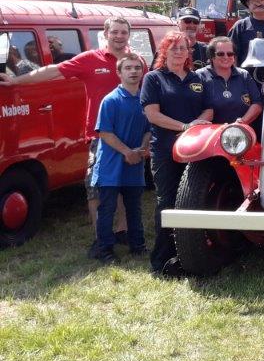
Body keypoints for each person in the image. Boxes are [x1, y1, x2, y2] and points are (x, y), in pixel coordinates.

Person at [0, 16, 138, 240]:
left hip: (129, 132)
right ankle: (100, 235)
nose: (119, 36)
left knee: (125, 186)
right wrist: (16, 81)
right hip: (100, 134)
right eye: (115, 32)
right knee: (96, 186)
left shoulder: (135, 60)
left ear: (128, 35)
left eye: (123, 32)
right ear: (105, 34)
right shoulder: (90, 59)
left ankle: (123, 229)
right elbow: (53, 70)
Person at [141, 31, 210, 276]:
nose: (179, 52)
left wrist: (196, 125)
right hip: (165, 150)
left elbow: (209, 110)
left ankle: (189, 254)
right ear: (164, 51)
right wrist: (184, 127)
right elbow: (152, 115)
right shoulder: (154, 79)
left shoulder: (197, 78)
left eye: (183, 48)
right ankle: (162, 258)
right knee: (167, 203)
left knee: (192, 202)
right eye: (174, 48)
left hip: (195, 151)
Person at [90, 53, 150, 263]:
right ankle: (104, 250)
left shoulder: (145, 100)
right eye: (128, 68)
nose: (133, 72)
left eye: (137, 68)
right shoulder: (111, 100)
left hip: (134, 165)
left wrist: (142, 148)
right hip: (110, 166)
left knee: (134, 208)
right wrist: (127, 152)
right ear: (119, 72)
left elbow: (148, 130)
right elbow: (105, 133)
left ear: (142, 72)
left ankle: (138, 246)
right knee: (107, 209)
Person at [196, 37, 263, 126]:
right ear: (211, 56)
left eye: (230, 54)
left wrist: (241, 122)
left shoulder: (244, 75)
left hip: (241, 133)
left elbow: (257, 103)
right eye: (220, 54)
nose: (226, 57)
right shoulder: (199, 76)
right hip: (209, 134)